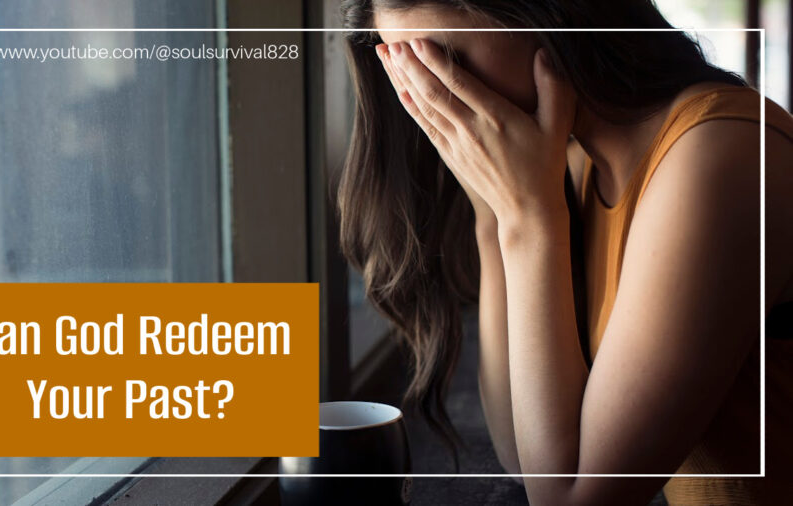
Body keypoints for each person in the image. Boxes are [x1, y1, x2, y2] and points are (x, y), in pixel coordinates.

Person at [337, 1, 793, 504]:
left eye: (445, 61)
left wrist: (528, 218)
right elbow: (522, 453)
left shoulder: (719, 155)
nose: (433, 99)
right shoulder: (575, 163)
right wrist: (494, 213)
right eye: (410, 71)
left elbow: (570, 498)